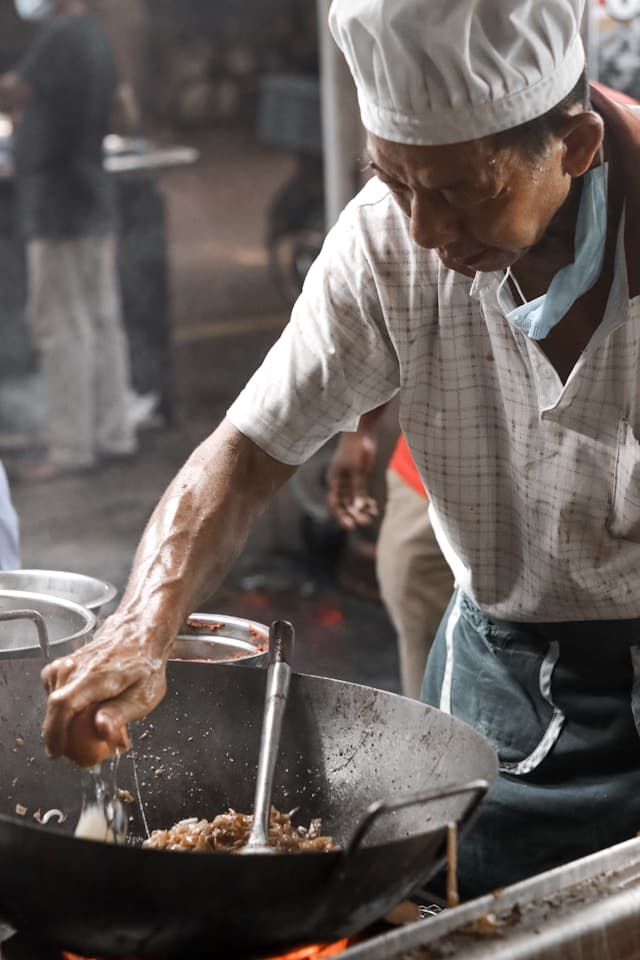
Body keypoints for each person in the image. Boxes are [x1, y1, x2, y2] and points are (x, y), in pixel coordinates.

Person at [38, 0, 640, 897]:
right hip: (503, 676)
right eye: (396, 180)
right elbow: (246, 453)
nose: (427, 231)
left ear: (577, 147)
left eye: (458, 192)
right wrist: (141, 626)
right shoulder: (387, 240)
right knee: (467, 921)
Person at [0, 0, 137, 481]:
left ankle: (70, 448)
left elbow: (13, 90)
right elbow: (125, 112)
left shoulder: (61, 35)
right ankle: (113, 434)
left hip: (58, 203)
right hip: (91, 196)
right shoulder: (96, 36)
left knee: (60, 327)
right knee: (100, 322)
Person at [327, 410, 453, 700]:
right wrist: (358, 429)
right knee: (427, 653)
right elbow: (381, 362)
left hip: (560, 490)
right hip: (428, 477)